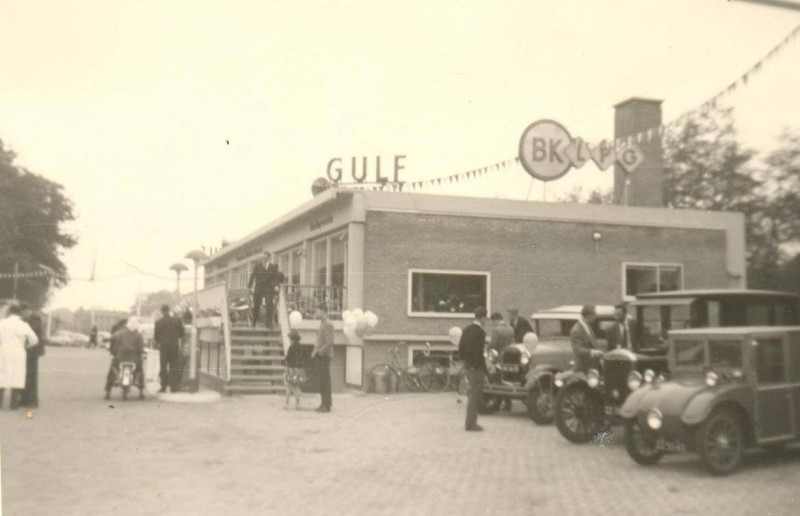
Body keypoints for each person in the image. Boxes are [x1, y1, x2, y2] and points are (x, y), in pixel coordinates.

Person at [0, 304, 39, 410]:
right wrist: (26, 346)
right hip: (18, 351)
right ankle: (13, 405)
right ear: (19, 313)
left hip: (3, 350)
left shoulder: (2, 323)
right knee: (17, 375)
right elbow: (34, 340)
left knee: (2, 375)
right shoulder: (23, 325)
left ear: (9, 312)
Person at [459, 306, 489, 432]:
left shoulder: (466, 330)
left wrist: (465, 363)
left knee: (471, 393)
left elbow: (461, 348)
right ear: (482, 317)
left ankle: (470, 422)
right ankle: (471, 424)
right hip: (476, 367)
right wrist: (484, 369)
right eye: (485, 318)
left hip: (467, 365)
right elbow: (479, 353)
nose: (485, 320)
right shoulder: (480, 332)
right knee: (474, 395)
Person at [104, 316, 146, 400]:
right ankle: (141, 391)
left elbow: (114, 343)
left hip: (120, 358)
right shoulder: (139, 335)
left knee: (112, 370)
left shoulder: (120, 333)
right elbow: (140, 349)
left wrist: (114, 352)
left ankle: (108, 391)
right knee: (140, 370)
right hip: (134, 359)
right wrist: (141, 354)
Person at [154, 305, 185, 393]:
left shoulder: (158, 322)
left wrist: (161, 341)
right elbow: (182, 333)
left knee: (163, 366)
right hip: (174, 346)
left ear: (162, 311)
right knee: (174, 366)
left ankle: (163, 386)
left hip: (163, 347)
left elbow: (156, 336)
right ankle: (173, 387)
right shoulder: (176, 320)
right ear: (169, 310)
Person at [20, 304, 46, 408]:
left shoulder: (35, 318)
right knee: (26, 376)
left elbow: (32, 331)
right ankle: (25, 399)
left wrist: (23, 323)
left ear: (27, 310)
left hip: (33, 352)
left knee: (31, 376)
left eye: (23, 312)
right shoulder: (32, 318)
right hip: (29, 351)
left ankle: (32, 401)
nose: (22, 314)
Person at [248, 252, 283, 328]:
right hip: (259, 287)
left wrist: (276, 285)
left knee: (269, 305)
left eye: (266, 257)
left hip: (268, 288)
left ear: (269, 258)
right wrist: (249, 286)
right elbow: (252, 275)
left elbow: (276, 278)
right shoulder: (257, 266)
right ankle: (254, 322)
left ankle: (268, 323)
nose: (264, 259)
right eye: (263, 257)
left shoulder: (272, 267)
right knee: (256, 305)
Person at [489, 311, 514, 412]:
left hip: (499, 358)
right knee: (507, 381)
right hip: (510, 358)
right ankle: (508, 404)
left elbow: (493, 344)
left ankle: (498, 403)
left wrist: (487, 348)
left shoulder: (496, 330)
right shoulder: (511, 329)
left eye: (493, 321)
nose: (493, 324)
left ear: (495, 320)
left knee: (497, 381)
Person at [311, 303, 334, 413]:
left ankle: (326, 404)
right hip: (321, 356)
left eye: (317, 311)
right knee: (322, 381)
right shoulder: (323, 323)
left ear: (323, 311)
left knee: (324, 381)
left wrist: (320, 353)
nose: (316, 313)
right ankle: (324, 403)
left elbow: (329, 342)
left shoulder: (328, 324)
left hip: (324, 357)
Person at [570, 305, 603, 372]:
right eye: (594, 314)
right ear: (589, 316)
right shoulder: (577, 330)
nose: (595, 317)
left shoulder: (588, 327)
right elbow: (577, 349)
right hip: (583, 367)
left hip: (592, 366)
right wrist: (592, 352)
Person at [284, 330, 307, 409]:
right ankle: (298, 402)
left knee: (288, 385)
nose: (289, 340)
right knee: (296, 386)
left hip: (291, 369)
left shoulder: (291, 348)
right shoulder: (301, 347)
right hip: (299, 369)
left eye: (290, 339)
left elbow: (288, 358)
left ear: (293, 339)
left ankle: (287, 403)